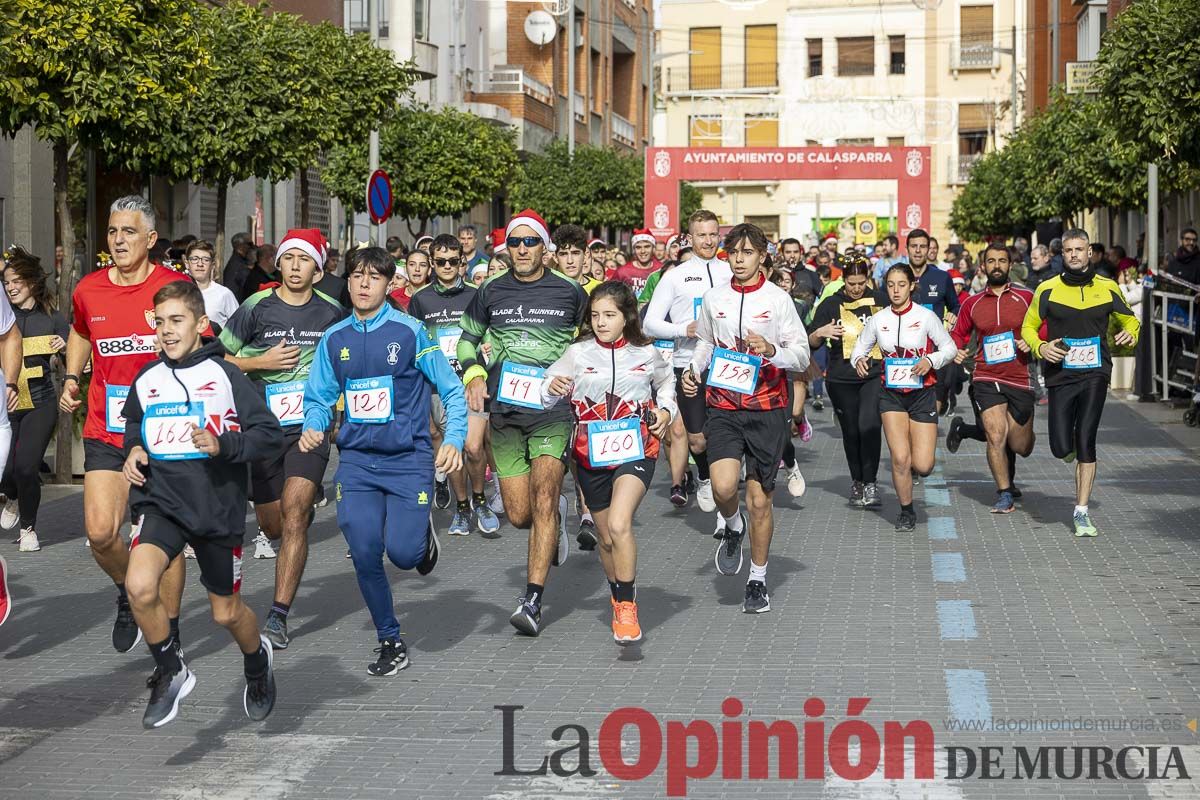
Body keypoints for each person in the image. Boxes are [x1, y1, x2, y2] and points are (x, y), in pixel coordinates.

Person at [121, 280, 282, 728]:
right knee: (138, 586)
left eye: (177, 321)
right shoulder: (147, 378)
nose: (167, 331)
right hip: (163, 504)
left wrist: (223, 444)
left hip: (217, 510)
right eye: (160, 323)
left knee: (225, 612)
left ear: (201, 324)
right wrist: (133, 450)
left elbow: (268, 435)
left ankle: (257, 663)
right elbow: (135, 426)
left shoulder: (226, 376)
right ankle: (172, 671)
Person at [302, 246, 465, 674]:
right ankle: (390, 638)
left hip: (407, 459)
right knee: (364, 548)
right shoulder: (333, 339)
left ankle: (421, 539)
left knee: (404, 555)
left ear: (389, 283)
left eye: (373, 277)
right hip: (355, 462)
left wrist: (454, 438)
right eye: (356, 276)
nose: (362, 284)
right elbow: (318, 396)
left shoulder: (411, 332)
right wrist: (314, 424)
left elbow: (450, 389)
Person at [60, 195, 199, 654]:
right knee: (101, 533)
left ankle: (171, 633)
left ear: (151, 239)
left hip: (163, 433)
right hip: (107, 429)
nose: (119, 240)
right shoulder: (89, 289)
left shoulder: (174, 288)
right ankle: (128, 590)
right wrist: (71, 376)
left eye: (129, 232)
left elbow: (204, 349)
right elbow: (81, 331)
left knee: (166, 540)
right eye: (113, 231)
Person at [457, 209, 588, 636]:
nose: (523, 249)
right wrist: (474, 374)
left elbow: (592, 341)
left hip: (552, 411)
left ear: (545, 248)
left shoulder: (570, 292)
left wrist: (576, 375)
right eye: (516, 242)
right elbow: (466, 340)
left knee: (545, 495)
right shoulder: (490, 290)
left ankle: (531, 600)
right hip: (506, 414)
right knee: (519, 514)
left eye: (531, 242)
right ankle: (553, 524)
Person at [219, 228, 347, 649]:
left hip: (309, 428)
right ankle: (287, 530)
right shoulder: (256, 306)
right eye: (289, 258)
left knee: (295, 513)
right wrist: (260, 360)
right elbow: (218, 358)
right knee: (274, 522)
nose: (295, 266)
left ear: (317, 267)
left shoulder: (331, 312)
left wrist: (341, 405)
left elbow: (348, 361)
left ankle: (278, 615)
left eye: (304, 260)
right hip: (261, 429)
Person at [682, 223, 810, 614]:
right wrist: (693, 369)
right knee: (722, 488)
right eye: (733, 252)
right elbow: (704, 341)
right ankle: (732, 525)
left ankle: (757, 580)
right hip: (723, 406)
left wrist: (772, 349)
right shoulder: (714, 297)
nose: (739, 259)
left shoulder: (777, 300)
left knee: (759, 501)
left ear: (761, 258)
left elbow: (802, 355)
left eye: (747, 252)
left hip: (767, 408)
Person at [541, 281, 676, 641]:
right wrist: (551, 389)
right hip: (590, 453)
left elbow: (666, 385)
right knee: (604, 539)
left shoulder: (646, 353)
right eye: (596, 315)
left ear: (626, 316)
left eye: (609, 315)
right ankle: (618, 599)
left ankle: (629, 608)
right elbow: (545, 390)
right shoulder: (578, 352)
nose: (601, 322)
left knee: (619, 524)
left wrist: (666, 411)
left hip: (637, 448)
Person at [1021, 228, 1139, 537]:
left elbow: (1130, 318)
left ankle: (1082, 511)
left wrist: (1132, 332)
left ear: (1089, 253)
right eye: (1069, 250)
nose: (1074, 254)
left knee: (1086, 437)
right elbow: (1028, 328)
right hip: (1060, 373)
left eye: (1079, 249)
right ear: (1062, 256)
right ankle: (1068, 448)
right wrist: (1041, 347)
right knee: (1061, 445)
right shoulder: (1047, 289)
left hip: (1096, 372)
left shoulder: (1107, 286)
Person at [851, 264, 957, 532]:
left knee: (923, 464)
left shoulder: (926, 316)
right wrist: (860, 360)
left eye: (901, 284)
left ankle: (915, 467)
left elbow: (950, 348)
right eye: (890, 285)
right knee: (899, 458)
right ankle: (906, 511)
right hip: (891, 396)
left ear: (912, 286)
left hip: (922, 394)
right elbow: (858, 349)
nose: (896, 290)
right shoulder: (879, 319)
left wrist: (930, 360)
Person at [644, 210, 733, 521]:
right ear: (690, 238)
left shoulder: (730, 270)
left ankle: (726, 504)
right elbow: (650, 324)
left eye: (712, 234)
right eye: (701, 235)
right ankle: (706, 476)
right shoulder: (675, 275)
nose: (708, 240)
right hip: (687, 366)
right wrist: (685, 329)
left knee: (725, 433)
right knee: (697, 438)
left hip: (727, 364)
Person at [408, 233, 499, 536]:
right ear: (432, 263)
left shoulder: (478, 292)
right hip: (438, 387)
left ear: (462, 261)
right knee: (452, 449)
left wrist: (488, 349)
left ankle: (480, 499)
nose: (447, 266)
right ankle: (462, 507)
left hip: (472, 381)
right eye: (441, 261)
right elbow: (416, 343)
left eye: (453, 260)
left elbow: (490, 334)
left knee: (474, 447)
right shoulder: (420, 299)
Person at [946, 242, 1036, 514]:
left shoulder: (1027, 298)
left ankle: (1009, 470)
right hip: (985, 376)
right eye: (991, 261)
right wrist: (955, 350)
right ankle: (1004, 493)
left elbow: (1044, 326)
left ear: (1010, 265)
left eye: (1002, 261)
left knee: (1020, 445)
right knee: (996, 435)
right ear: (982, 266)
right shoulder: (972, 303)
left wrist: (1033, 341)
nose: (996, 265)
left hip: (1019, 377)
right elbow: (957, 333)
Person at [1, 249, 67, 551]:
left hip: (40, 402)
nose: (11, 287)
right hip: (7, 402)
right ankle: (10, 493)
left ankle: (28, 528)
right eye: (6, 282)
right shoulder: (4, 317)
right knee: (8, 469)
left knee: (26, 467)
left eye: (17, 281)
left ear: (31, 282)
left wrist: (65, 347)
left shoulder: (52, 318)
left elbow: (79, 358)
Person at [808, 258, 886, 508]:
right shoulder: (831, 304)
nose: (856, 288)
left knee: (869, 426)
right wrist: (820, 333)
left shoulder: (880, 301)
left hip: (873, 375)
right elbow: (810, 340)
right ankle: (858, 481)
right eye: (851, 283)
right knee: (851, 432)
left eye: (861, 283)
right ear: (843, 280)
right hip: (841, 377)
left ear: (868, 279)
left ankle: (871, 483)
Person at [904, 230, 960, 415]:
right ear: (907, 249)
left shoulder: (942, 278)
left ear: (929, 249)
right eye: (914, 246)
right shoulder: (896, 276)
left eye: (922, 246)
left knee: (930, 415)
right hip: (903, 353)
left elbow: (955, 306)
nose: (918, 251)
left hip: (934, 352)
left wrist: (953, 315)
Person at [184, 240, 238, 328]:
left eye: (205, 260)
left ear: (212, 265)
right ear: (187, 264)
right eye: (195, 259)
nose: (200, 264)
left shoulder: (224, 294)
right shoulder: (179, 293)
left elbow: (238, 327)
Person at [552, 224, 601, 294]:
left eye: (575, 253)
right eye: (563, 254)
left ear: (585, 256)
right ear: (555, 257)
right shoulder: (547, 290)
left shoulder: (600, 289)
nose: (570, 261)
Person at [613, 230, 660, 295]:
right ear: (634, 250)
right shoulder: (622, 272)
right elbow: (611, 295)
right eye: (638, 247)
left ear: (653, 248)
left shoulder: (661, 269)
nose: (643, 251)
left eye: (647, 247)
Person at [222, 232, 254, 299]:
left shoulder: (242, 262)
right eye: (250, 244)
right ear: (240, 246)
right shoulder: (237, 265)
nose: (252, 247)